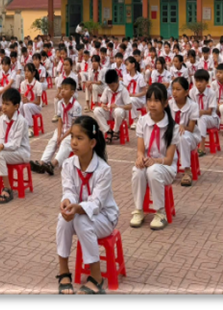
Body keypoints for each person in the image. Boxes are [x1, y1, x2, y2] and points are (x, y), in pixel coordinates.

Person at [55, 116, 118, 296]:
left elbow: (96, 204)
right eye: (72, 137)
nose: (73, 142)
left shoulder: (103, 169)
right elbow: (69, 190)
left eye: (79, 138)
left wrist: (77, 209)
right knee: (63, 218)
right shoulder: (68, 164)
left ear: (92, 143)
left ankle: (96, 278)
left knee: (82, 220)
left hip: (105, 218)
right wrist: (67, 202)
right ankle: (63, 272)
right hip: (80, 213)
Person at [129, 83, 178, 230]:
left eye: (157, 101)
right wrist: (140, 158)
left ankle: (160, 212)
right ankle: (138, 210)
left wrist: (154, 161)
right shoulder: (143, 121)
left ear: (165, 103)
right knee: (137, 170)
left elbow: (169, 159)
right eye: (149, 100)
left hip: (166, 168)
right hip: (149, 164)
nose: (152, 104)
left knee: (153, 170)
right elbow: (140, 150)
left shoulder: (172, 127)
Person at [31, 78, 81, 176]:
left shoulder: (76, 106)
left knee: (65, 143)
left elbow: (75, 126)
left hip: (72, 131)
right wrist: (58, 136)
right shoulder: (60, 103)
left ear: (72, 92)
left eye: (66, 89)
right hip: (62, 130)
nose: (62, 90)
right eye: (62, 88)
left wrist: (62, 138)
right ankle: (42, 163)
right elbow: (60, 121)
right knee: (52, 141)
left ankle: (52, 164)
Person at [170, 78, 200, 187]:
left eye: (178, 89)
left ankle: (187, 170)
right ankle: (170, 170)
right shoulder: (169, 104)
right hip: (174, 135)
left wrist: (182, 127)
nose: (174, 92)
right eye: (173, 89)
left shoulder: (193, 106)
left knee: (183, 136)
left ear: (186, 92)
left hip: (190, 136)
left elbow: (191, 128)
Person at [91, 69, 130, 141]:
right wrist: (103, 106)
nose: (111, 88)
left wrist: (118, 106)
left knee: (118, 111)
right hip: (110, 111)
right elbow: (103, 102)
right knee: (96, 110)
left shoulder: (123, 90)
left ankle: (116, 130)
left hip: (120, 113)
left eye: (113, 85)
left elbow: (129, 106)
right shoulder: (107, 89)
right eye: (109, 86)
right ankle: (108, 131)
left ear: (118, 81)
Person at [19, 64, 44, 138]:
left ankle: (29, 128)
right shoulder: (23, 83)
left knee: (26, 106)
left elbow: (38, 102)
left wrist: (29, 102)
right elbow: (22, 97)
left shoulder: (38, 84)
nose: (26, 73)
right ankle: (21, 126)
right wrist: (24, 99)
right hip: (27, 104)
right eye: (25, 71)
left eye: (28, 71)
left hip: (36, 106)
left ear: (33, 73)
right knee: (20, 105)